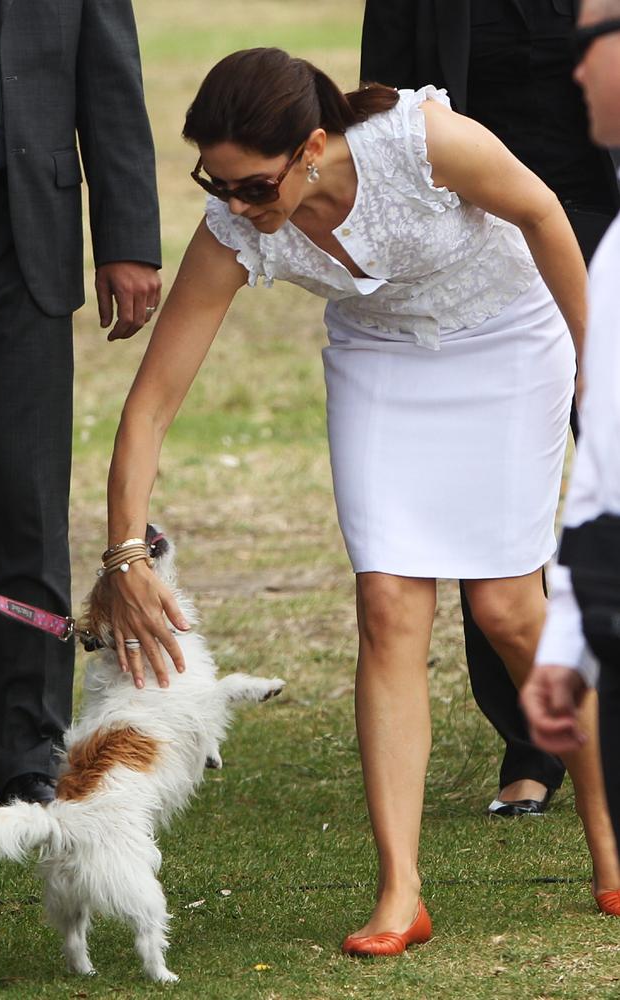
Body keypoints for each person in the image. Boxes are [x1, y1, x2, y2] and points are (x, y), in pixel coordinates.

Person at [102, 47, 620, 955]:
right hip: (382, 362)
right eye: (213, 184)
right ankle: (400, 892)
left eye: (252, 186)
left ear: (311, 147)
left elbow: (541, 211)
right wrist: (123, 555)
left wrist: (595, 371)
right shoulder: (241, 230)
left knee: (505, 606)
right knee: (386, 604)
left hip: (505, 335)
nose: (234, 206)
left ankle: (609, 841)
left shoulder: (419, 140)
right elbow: (151, 405)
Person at [360, 0, 620, 818]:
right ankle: (531, 744)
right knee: (492, 508)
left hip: (601, 217)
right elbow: (383, 114)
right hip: (486, 246)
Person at [0, 0, 162, 806]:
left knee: (24, 497)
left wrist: (127, 237)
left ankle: (27, 753)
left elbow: (109, 78)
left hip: (22, 229)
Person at [521, 0, 620, 917]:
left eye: (596, 42)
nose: (576, 69)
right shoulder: (613, 247)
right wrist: (568, 645)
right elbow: (602, 465)